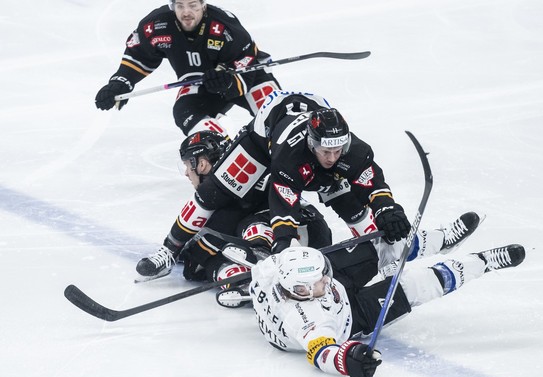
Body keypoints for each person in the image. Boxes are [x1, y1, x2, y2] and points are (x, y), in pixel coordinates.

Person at [157, 90, 428, 256]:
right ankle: (169, 250)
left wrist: (387, 209)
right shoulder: (289, 155)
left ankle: (384, 249)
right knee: (213, 192)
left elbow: (371, 180)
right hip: (261, 141)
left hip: (306, 120)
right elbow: (284, 200)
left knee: (346, 197)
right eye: (326, 152)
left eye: (338, 151)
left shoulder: (349, 149)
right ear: (311, 143)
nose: (332, 158)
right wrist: (284, 242)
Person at [248, 238, 527, 377]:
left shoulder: (272, 271)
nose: (326, 279)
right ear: (301, 291)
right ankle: (482, 263)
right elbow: (322, 352)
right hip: (352, 317)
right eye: (320, 280)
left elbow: (264, 263)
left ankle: (440, 238)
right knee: (417, 285)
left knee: (377, 246)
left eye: (324, 274)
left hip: (333, 297)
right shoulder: (307, 319)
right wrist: (350, 360)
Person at [135, 130, 332, 282]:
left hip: (298, 235)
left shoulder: (227, 189)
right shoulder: (244, 173)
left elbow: (196, 262)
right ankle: (241, 278)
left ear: (201, 164)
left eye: (188, 165)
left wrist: (184, 250)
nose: (187, 172)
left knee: (219, 246)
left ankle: (259, 262)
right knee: (225, 248)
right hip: (311, 234)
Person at [95, 0, 280, 136]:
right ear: (172, 5)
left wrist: (228, 81)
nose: (186, 12)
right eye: (180, 5)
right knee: (184, 112)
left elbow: (246, 59)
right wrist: (120, 83)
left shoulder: (225, 26)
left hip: (245, 75)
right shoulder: (156, 26)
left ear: (203, 5)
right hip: (198, 82)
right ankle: (218, 148)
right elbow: (138, 55)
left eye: (193, 5)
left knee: (278, 115)